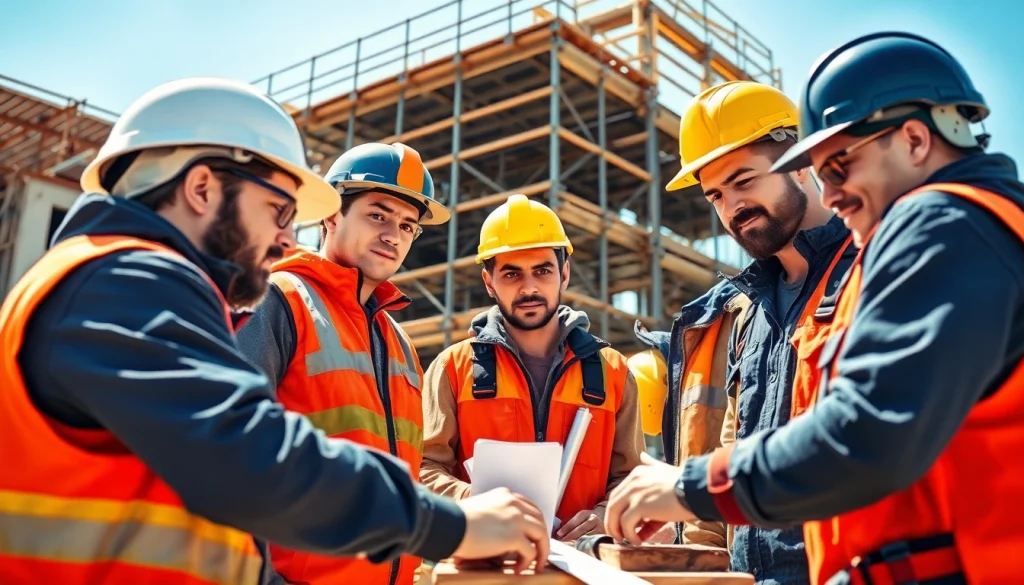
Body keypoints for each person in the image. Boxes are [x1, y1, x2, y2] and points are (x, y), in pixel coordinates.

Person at [0, 77, 549, 585]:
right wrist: (450, 524)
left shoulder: (113, 276)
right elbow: (245, 455)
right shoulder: (123, 280)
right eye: (277, 210)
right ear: (201, 188)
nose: (287, 239)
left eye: (407, 226)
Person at [604, 31, 1024, 585]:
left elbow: (870, 434)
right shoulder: (970, 227)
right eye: (715, 195)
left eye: (839, 167)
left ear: (916, 139)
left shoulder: (941, 227)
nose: (831, 193)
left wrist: (691, 488)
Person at [632, 79, 855, 584]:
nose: (733, 206)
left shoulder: (867, 271)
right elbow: (731, 448)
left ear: (802, 162)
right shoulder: (744, 314)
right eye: (716, 194)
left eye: (745, 180)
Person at [235, 141, 451, 585]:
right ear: (332, 215)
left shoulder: (399, 342)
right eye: (378, 215)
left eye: (407, 225)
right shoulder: (277, 301)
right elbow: (228, 460)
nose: (393, 235)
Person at [419, 194, 644, 542]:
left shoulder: (612, 371)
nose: (529, 288)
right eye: (512, 274)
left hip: (583, 562)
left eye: (542, 271)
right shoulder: (453, 368)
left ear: (564, 274)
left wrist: (605, 515)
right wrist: (471, 501)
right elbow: (422, 467)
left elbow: (632, 477)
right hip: (484, 560)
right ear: (489, 282)